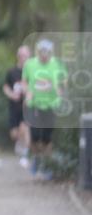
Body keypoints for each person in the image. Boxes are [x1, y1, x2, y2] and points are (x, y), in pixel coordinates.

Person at [23, 39, 68, 180]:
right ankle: (37, 159)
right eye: (41, 51)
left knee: (47, 138)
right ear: (38, 52)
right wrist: (27, 93)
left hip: (51, 104)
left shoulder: (57, 64)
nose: (44, 54)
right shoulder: (30, 64)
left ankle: (47, 165)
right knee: (35, 136)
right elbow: (24, 81)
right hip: (34, 104)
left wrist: (59, 90)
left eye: (47, 52)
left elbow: (64, 81)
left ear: (50, 52)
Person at [4, 45, 31, 168]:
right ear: (18, 56)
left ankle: (25, 155)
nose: (23, 58)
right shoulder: (12, 72)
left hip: (27, 106)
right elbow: (5, 87)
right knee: (14, 134)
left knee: (24, 128)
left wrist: (29, 95)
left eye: (26, 55)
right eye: (21, 55)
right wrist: (11, 94)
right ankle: (19, 144)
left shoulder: (32, 72)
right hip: (14, 106)